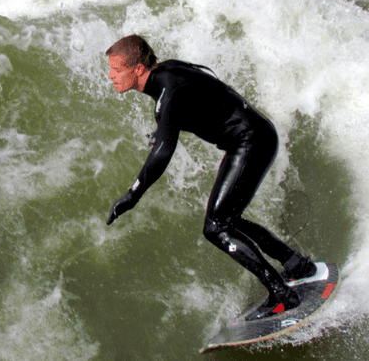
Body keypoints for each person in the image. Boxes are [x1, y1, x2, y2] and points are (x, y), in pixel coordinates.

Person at [104, 34, 317, 321]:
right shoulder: (167, 75)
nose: (111, 76)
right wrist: (163, 130)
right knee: (229, 220)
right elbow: (203, 89)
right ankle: (295, 264)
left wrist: (133, 194)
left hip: (251, 142)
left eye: (116, 70)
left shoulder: (167, 91)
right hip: (254, 137)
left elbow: (163, 153)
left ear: (137, 69)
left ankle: (281, 293)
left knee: (216, 227)